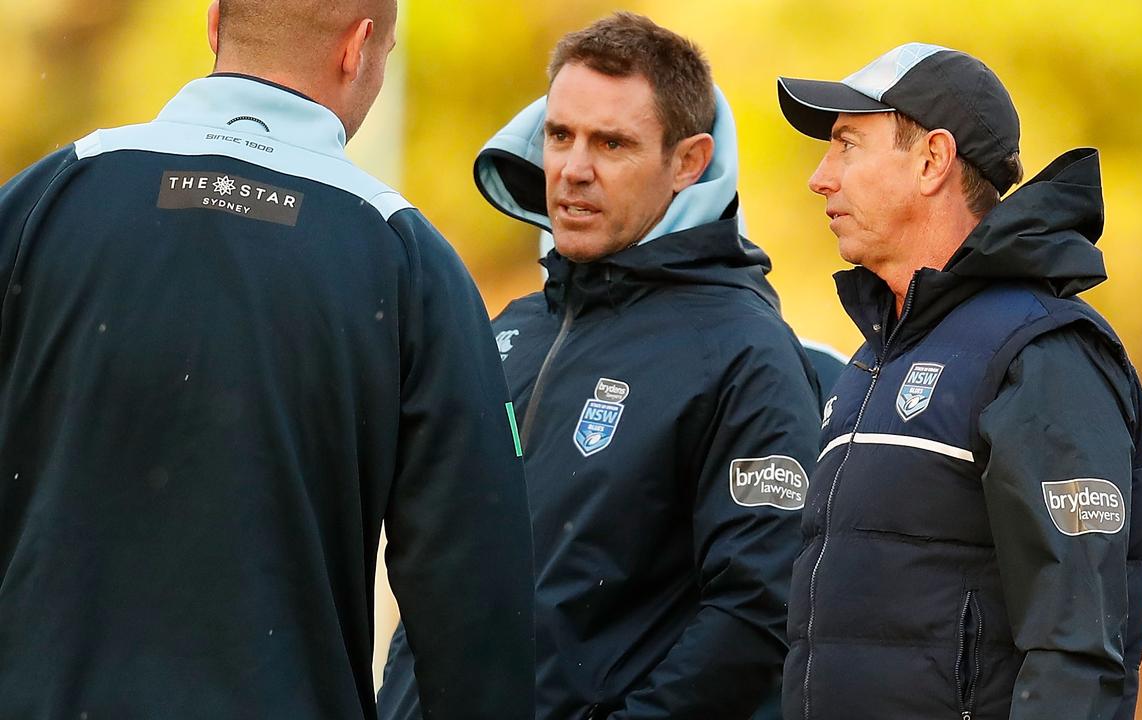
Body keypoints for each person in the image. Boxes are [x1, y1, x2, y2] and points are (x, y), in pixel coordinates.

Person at [0, 1, 533, 718]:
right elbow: (474, 594)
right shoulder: (407, 262)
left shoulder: (45, 200)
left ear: (215, 23)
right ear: (359, 47)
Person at [380, 12, 819, 720]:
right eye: (560, 135)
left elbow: (760, 612)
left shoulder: (742, 352)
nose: (573, 169)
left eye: (611, 143)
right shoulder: (513, 328)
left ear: (689, 160)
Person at [775, 44, 1142, 719]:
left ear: (932, 161)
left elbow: (1076, 651)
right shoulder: (873, 358)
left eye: (846, 146)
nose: (821, 178)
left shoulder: (1043, 352)